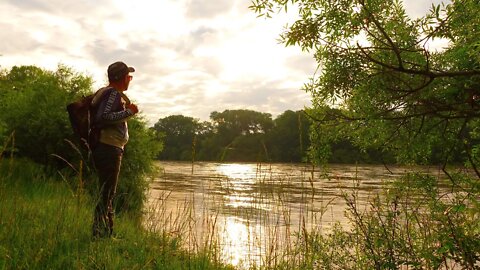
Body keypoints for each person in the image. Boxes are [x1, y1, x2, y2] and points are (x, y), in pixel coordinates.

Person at [90, 61, 139, 238]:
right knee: (107, 193)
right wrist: (129, 112)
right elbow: (103, 117)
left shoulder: (108, 93)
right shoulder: (111, 93)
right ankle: (99, 235)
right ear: (121, 78)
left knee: (107, 192)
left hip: (109, 147)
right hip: (108, 148)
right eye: (128, 77)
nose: (130, 80)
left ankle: (105, 233)